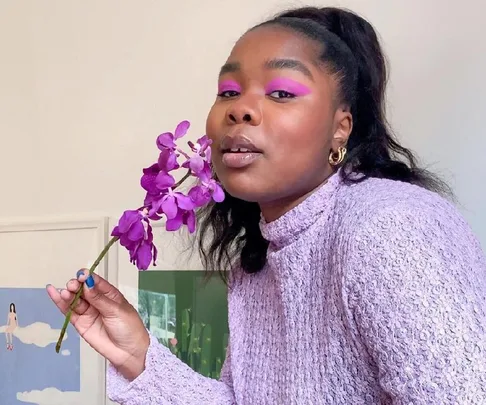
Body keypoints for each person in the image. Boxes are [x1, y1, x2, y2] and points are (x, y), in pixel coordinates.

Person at [47, 6, 486, 404]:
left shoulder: (393, 227)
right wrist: (139, 356)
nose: (241, 110)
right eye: (228, 91)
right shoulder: (259, 262)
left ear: (341, 128)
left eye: (281, 93)